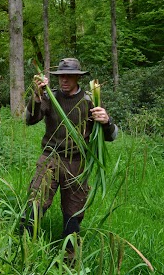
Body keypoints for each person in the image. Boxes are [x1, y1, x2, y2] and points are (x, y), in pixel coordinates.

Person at [22, 58, 118, 259]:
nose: (64, 80)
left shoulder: (89, 100)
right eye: (61, 76)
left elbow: (111, 136)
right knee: (37, 202)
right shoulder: (50, 97)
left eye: (69, 76)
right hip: (51, 157)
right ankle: (23, 248)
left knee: (73, 211)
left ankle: (69, 257)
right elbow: (29, 120)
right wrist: (37, 97)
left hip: (77, 162)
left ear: (77, 77)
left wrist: (107, 121)